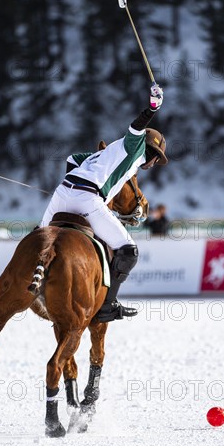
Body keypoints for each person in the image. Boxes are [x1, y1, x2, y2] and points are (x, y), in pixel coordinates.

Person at [40, 84, 168, 321]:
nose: (154, 164)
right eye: (156, 159)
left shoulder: (107, 154)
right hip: (88, 199)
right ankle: (107, 305)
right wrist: (152, 108)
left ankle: (32, 285)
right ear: (152, 152)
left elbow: (72, 158)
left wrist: (72, 183)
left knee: (39, 240)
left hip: (62, 194)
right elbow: (135, 129)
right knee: (129, 250)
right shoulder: (135, 150)